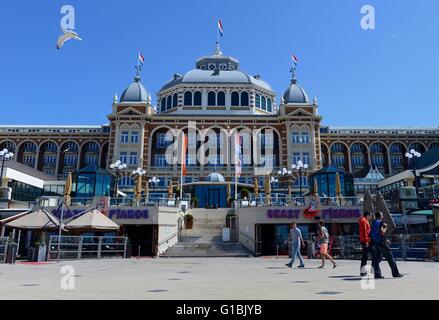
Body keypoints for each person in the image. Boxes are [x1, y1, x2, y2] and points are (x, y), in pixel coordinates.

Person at [370, 212, 404, 279]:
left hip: (375, 243)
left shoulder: (374, 222)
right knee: (390, 258)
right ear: (380, 216)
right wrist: (385, 227)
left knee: (376, 259)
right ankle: (396, 273)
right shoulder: (381, 223)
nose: (383, 216)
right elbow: (382, 232)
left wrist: (386, 239)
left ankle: (376, 274)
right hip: (382, 244)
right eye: (382, 215)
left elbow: (376, 233)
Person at [359, 211, 372, 276]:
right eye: (370, 215)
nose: (370, 217)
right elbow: (364, 231)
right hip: (365, 240)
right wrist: (366, 240)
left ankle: (363, 271)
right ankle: (363, 271)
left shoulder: (365, 220)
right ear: (367, 215)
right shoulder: (364, 221)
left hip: (365, 240)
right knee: (365, 256)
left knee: (365, 256)